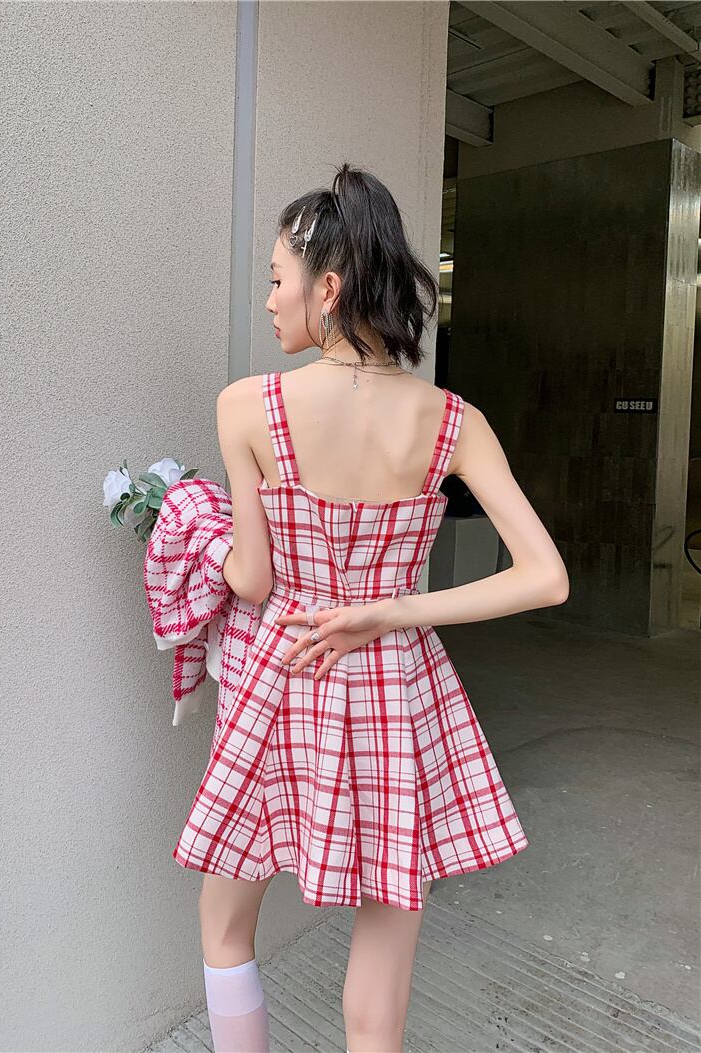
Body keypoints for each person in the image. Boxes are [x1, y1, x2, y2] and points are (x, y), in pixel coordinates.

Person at [174, 163, 570, 1053]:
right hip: (397, 686)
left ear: (329, 287)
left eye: (277, 279)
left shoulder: (246, 407)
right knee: (384, 961)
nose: (270, 300)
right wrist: (391, 612)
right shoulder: (454, 420)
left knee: (225, 922)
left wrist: (191, 528)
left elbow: (251, 580)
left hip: (279, 676)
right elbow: (546, 576)